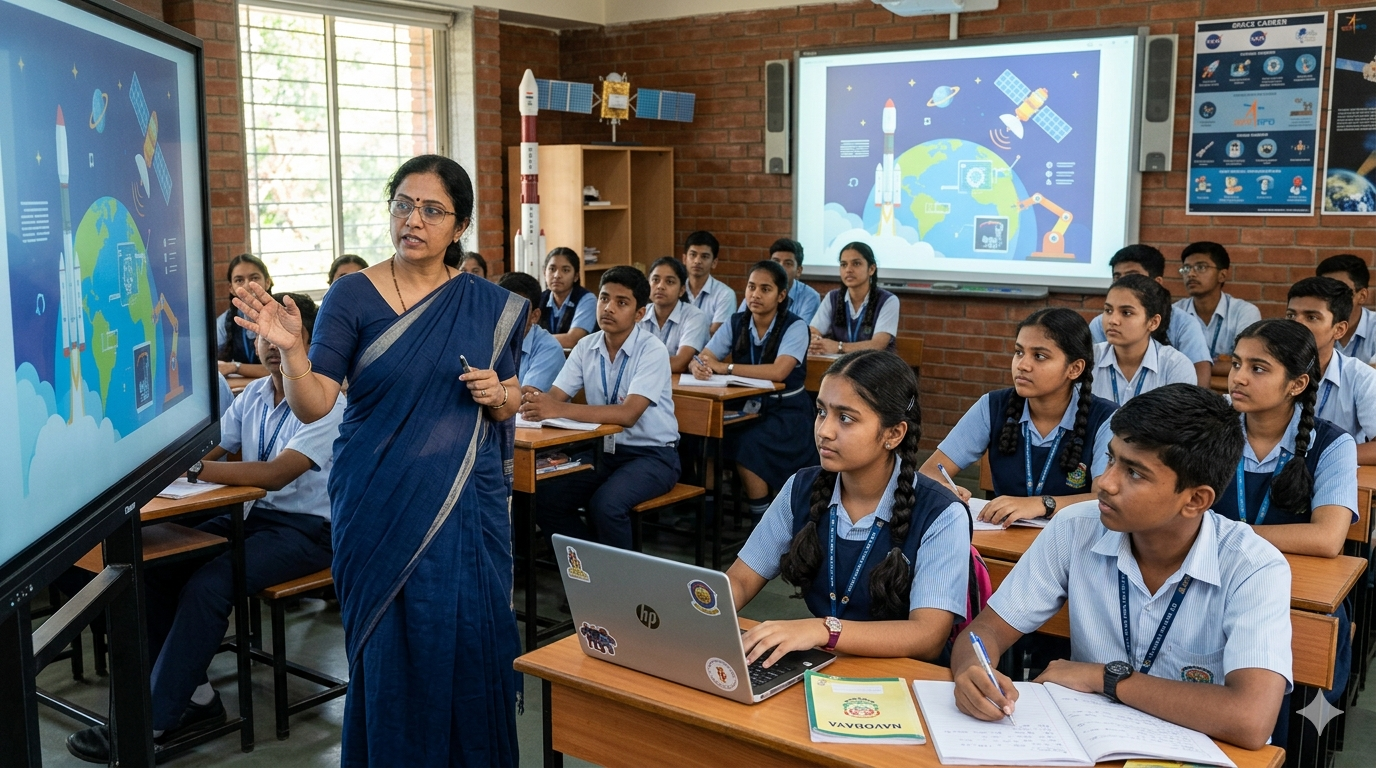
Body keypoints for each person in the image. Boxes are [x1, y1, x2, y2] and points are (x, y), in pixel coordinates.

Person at [229, 154, 524, 766]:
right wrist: (292, 354)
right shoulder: (351, 296)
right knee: (391, 653)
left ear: (460, 226)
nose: (413, 220)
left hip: (464, 510)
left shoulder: (488, 304)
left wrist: (500, 396)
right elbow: (314, 405)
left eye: (432, 210)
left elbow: (513, 392)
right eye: (402, 204)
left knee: (464, 641)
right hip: (377, 505)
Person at [66, 294, 344, 763]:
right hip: (254, 517)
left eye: (283, 334)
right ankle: (196, 697)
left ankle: (150, 723)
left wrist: (190, 469)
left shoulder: (327, 400)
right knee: (157, 566)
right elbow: (214, 449)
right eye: (262, 335)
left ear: (308, 340)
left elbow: (275, 473)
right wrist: (169, 463)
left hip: (309, 532)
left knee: (210, 583)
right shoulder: (254, 395)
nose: (272, 345)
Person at [950, 384, 1292, 752]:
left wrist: (1107, 678)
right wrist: (973, 670)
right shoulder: (1074, 527)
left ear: (1195, 500)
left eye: (1135, 473)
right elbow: (983, 632)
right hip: (1091, 742)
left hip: (1198, 751)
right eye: (1111, 459)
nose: (1106, 483)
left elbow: (1250, 719)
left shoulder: (1255, 566)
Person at [728, 350, 969, 667]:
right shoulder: (801, 488)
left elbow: (927, 637)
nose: (824, 430)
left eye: (845, 418)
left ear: (894, 434)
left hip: (905, 679)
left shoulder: (941, 514)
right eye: (821, 412)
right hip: (824, 664)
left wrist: (823, 629)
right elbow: (742, 580)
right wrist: (697, 611)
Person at [1217, 319, 1357, 707]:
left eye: (1258, 368)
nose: (1238, 378)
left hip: (1294, 593)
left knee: (1287, 706)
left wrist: (1222, 533)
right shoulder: (1210, 428)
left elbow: (1327, 538)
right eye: (1237, 364)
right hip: (1215, 580)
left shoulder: (1331, 444)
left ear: (1296, 384)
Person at [520, 266, 680, 549]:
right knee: (545, 499)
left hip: (652, 456)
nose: (609, 308)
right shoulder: (586, 346)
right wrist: (532, 399)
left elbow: (628, 415)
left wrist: (555, 408)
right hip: (603, 452)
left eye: (621, 302)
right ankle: (588, 570)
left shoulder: (652, 350)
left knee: (606, 505)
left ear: (640, 313)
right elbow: (555, 395)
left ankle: (619, 586)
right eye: (604, 298)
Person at [921, 308, 1115, 528]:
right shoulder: (992, 405)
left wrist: (1042, 504)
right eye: (1019, 352)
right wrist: (946, 490)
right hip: (1004, 540)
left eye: (1039, 356)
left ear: (1074, 368)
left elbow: (1104, 498)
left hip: (1074, 542)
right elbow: (929, 474)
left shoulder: (1105, 418)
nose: (1022, 365)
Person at [692, 260, 816, 520]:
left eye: (765, 289)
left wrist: (725, 368)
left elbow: (778, 372)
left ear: (781, 296)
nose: (755, 295)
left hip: (786, 412)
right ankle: (709, 516)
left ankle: (762, 522)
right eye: (751, 287)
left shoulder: (795, 326)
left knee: (750, 446)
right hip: (744, 407)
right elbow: (705, 356)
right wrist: (699, 367)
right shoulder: (737, 322)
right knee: (707, 439)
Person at [1089, 245, 1212, 386]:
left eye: (1132, 277)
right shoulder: (1099, 327)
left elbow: (1200, 383)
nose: (1113, 320)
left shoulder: (1184, 325)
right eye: (1117, 277)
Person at [1286, 277, 1376, 464]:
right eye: (1291, 315)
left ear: (1339, 329)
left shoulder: (1360, 377)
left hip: (1335, 475)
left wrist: (1317, 457)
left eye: (1312, 317)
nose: (1297, 324)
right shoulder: (1266, 370)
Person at [1092, 275, 1196, 406]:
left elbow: (1179, 423)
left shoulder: (1175, 366)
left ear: (1153, 322)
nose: (1112, 320)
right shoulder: (1089, 357)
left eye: (1126, 313)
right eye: (1108, 310)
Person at [1172, 242, 1259, 376]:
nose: (1191, 274)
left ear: (1222, 275)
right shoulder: (1174, 312)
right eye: (1186, 268)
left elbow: (1247, 365)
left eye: (1200, 267)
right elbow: (1166, 364)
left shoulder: (1244, 312)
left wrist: (1196, 367)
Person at [808, 242, 899, 355]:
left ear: (871, 269)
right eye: (844, 265)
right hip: (838, 367)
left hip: (874, 367)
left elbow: (878, 345)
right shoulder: (832, 297)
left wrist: (839, 347)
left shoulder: (888, 300)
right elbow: (813, 331)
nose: (848, 270)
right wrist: (814, 339)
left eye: (856, 264)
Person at [497, 271, 565, 392]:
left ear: (534, 316)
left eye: (518, 311)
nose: (509, 317)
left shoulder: (549, 349)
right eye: (505, 308)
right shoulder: (489, 339)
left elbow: (526, 402)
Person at [642, 256, 711, 374]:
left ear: (682, 290)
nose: (660, 286)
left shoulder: (695, 316)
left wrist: (638, 366)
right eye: (655, 280)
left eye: (669, 282)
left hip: (681, 388)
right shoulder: (639, 314)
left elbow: (680, 363)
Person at [738, 238, 821, 330]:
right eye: (776, 261)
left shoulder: (810, 297)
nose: (780, 267)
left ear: (798, 271)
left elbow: (800, 332)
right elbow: (739, 325)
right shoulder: (756, 291)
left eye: (788, 263)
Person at [216, 253, 273, 380]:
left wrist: (235, 367)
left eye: (254, 278)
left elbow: (284, 369)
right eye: (239, 280)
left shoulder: (281, 317)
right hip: (244, 390)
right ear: (231, 288)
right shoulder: (225, 322)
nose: (247, 285)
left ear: (267, 282)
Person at [1317, 254, 1376, 363]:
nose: (1331, 297)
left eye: (1341, 291)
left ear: (1362, 296)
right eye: (1324, 291)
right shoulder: (1310, 325)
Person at [540, 246, 597, 347]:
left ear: (576, 276)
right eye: (552, 269)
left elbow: (572, 340)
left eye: (565, 270)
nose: (557, 275)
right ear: (545, 273)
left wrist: (535, 340)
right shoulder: (540, 299)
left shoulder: (587, 299)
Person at [682, 230, 737, 334]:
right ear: (684, 259)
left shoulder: (725, 294)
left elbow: (716, 336)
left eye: (704, 256)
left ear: (714, 263)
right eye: (693, 255)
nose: (697, 261)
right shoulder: (676, 290)